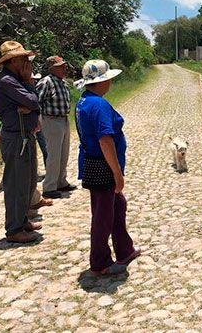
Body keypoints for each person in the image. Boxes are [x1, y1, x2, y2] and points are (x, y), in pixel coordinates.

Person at [75, 59, 140, 275]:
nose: (111, 82)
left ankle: (125, 250)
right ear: (102, 81)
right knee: (103, 215)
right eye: (108, 79)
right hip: (103, 166)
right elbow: (105, 139)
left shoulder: (84, 101)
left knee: (117, 207)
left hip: (93, 162)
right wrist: (117, 173)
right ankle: (100, 262)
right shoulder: (99, 105)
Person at [0, 41, 43, 243]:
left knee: (28, 180)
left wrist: (30, 104)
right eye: (23, 59)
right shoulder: (7, 81)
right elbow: (33, 101)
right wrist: (30, 84)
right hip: (15, 137)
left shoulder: (16, 79)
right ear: (13, 61)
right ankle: (14, 229)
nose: (27, 62)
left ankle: (21, 221)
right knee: (16, 183)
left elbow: (33, 105)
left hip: (25, 134)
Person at [37, 56, 76, 199]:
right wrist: (38, 121)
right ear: (52, 68)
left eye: (64, 66)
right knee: (53, 155)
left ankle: (61, 182)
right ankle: (49, 187)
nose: (64, 68)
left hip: (63, 120)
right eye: (60, 66)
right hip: (51, 120)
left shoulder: (63, 83)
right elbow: (37, 102)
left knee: (63, 154)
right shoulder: (46, 82)